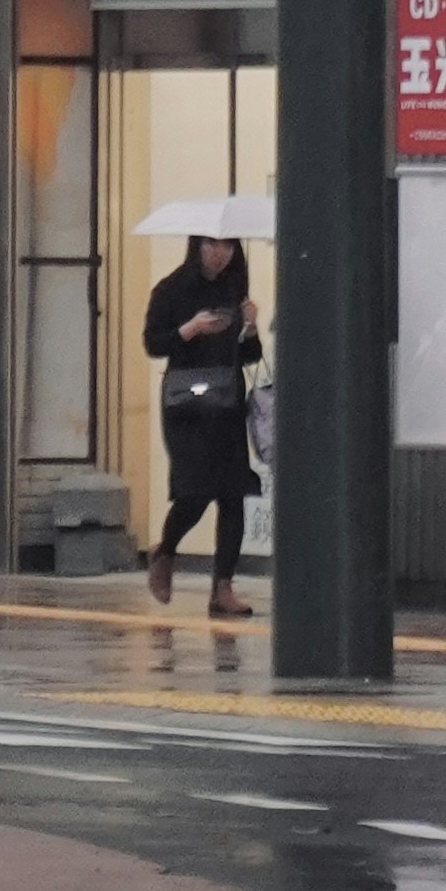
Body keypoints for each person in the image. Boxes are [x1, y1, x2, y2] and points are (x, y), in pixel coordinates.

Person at [145, 229, 261, 619]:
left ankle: (223, 587)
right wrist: (189, 329)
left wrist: (250, 327)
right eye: (211, 244)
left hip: (226, 402)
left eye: (228, 245)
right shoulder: (172, 289)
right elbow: (153, 343)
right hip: (186, 406)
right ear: (197, 245)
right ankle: (165, 551)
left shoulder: (234, 290)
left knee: (232, 493)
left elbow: (249, 355)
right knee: (194, 491)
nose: (219, 254)